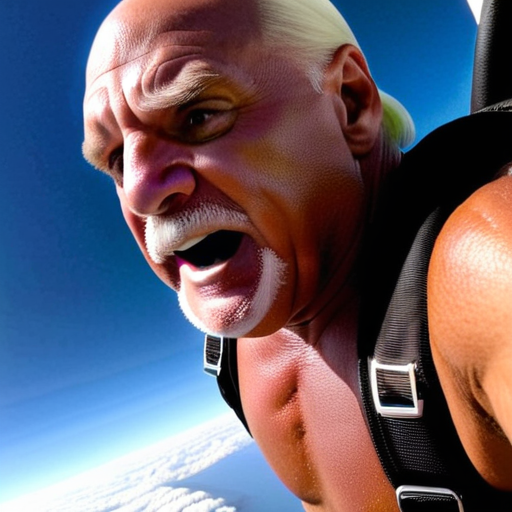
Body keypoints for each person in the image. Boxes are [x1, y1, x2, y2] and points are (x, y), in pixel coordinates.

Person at [82, 0, 512, 510]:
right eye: (116, 160)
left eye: (198, 117)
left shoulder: (484, 264)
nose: (139, 192)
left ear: (350, 101)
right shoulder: (235, 355)